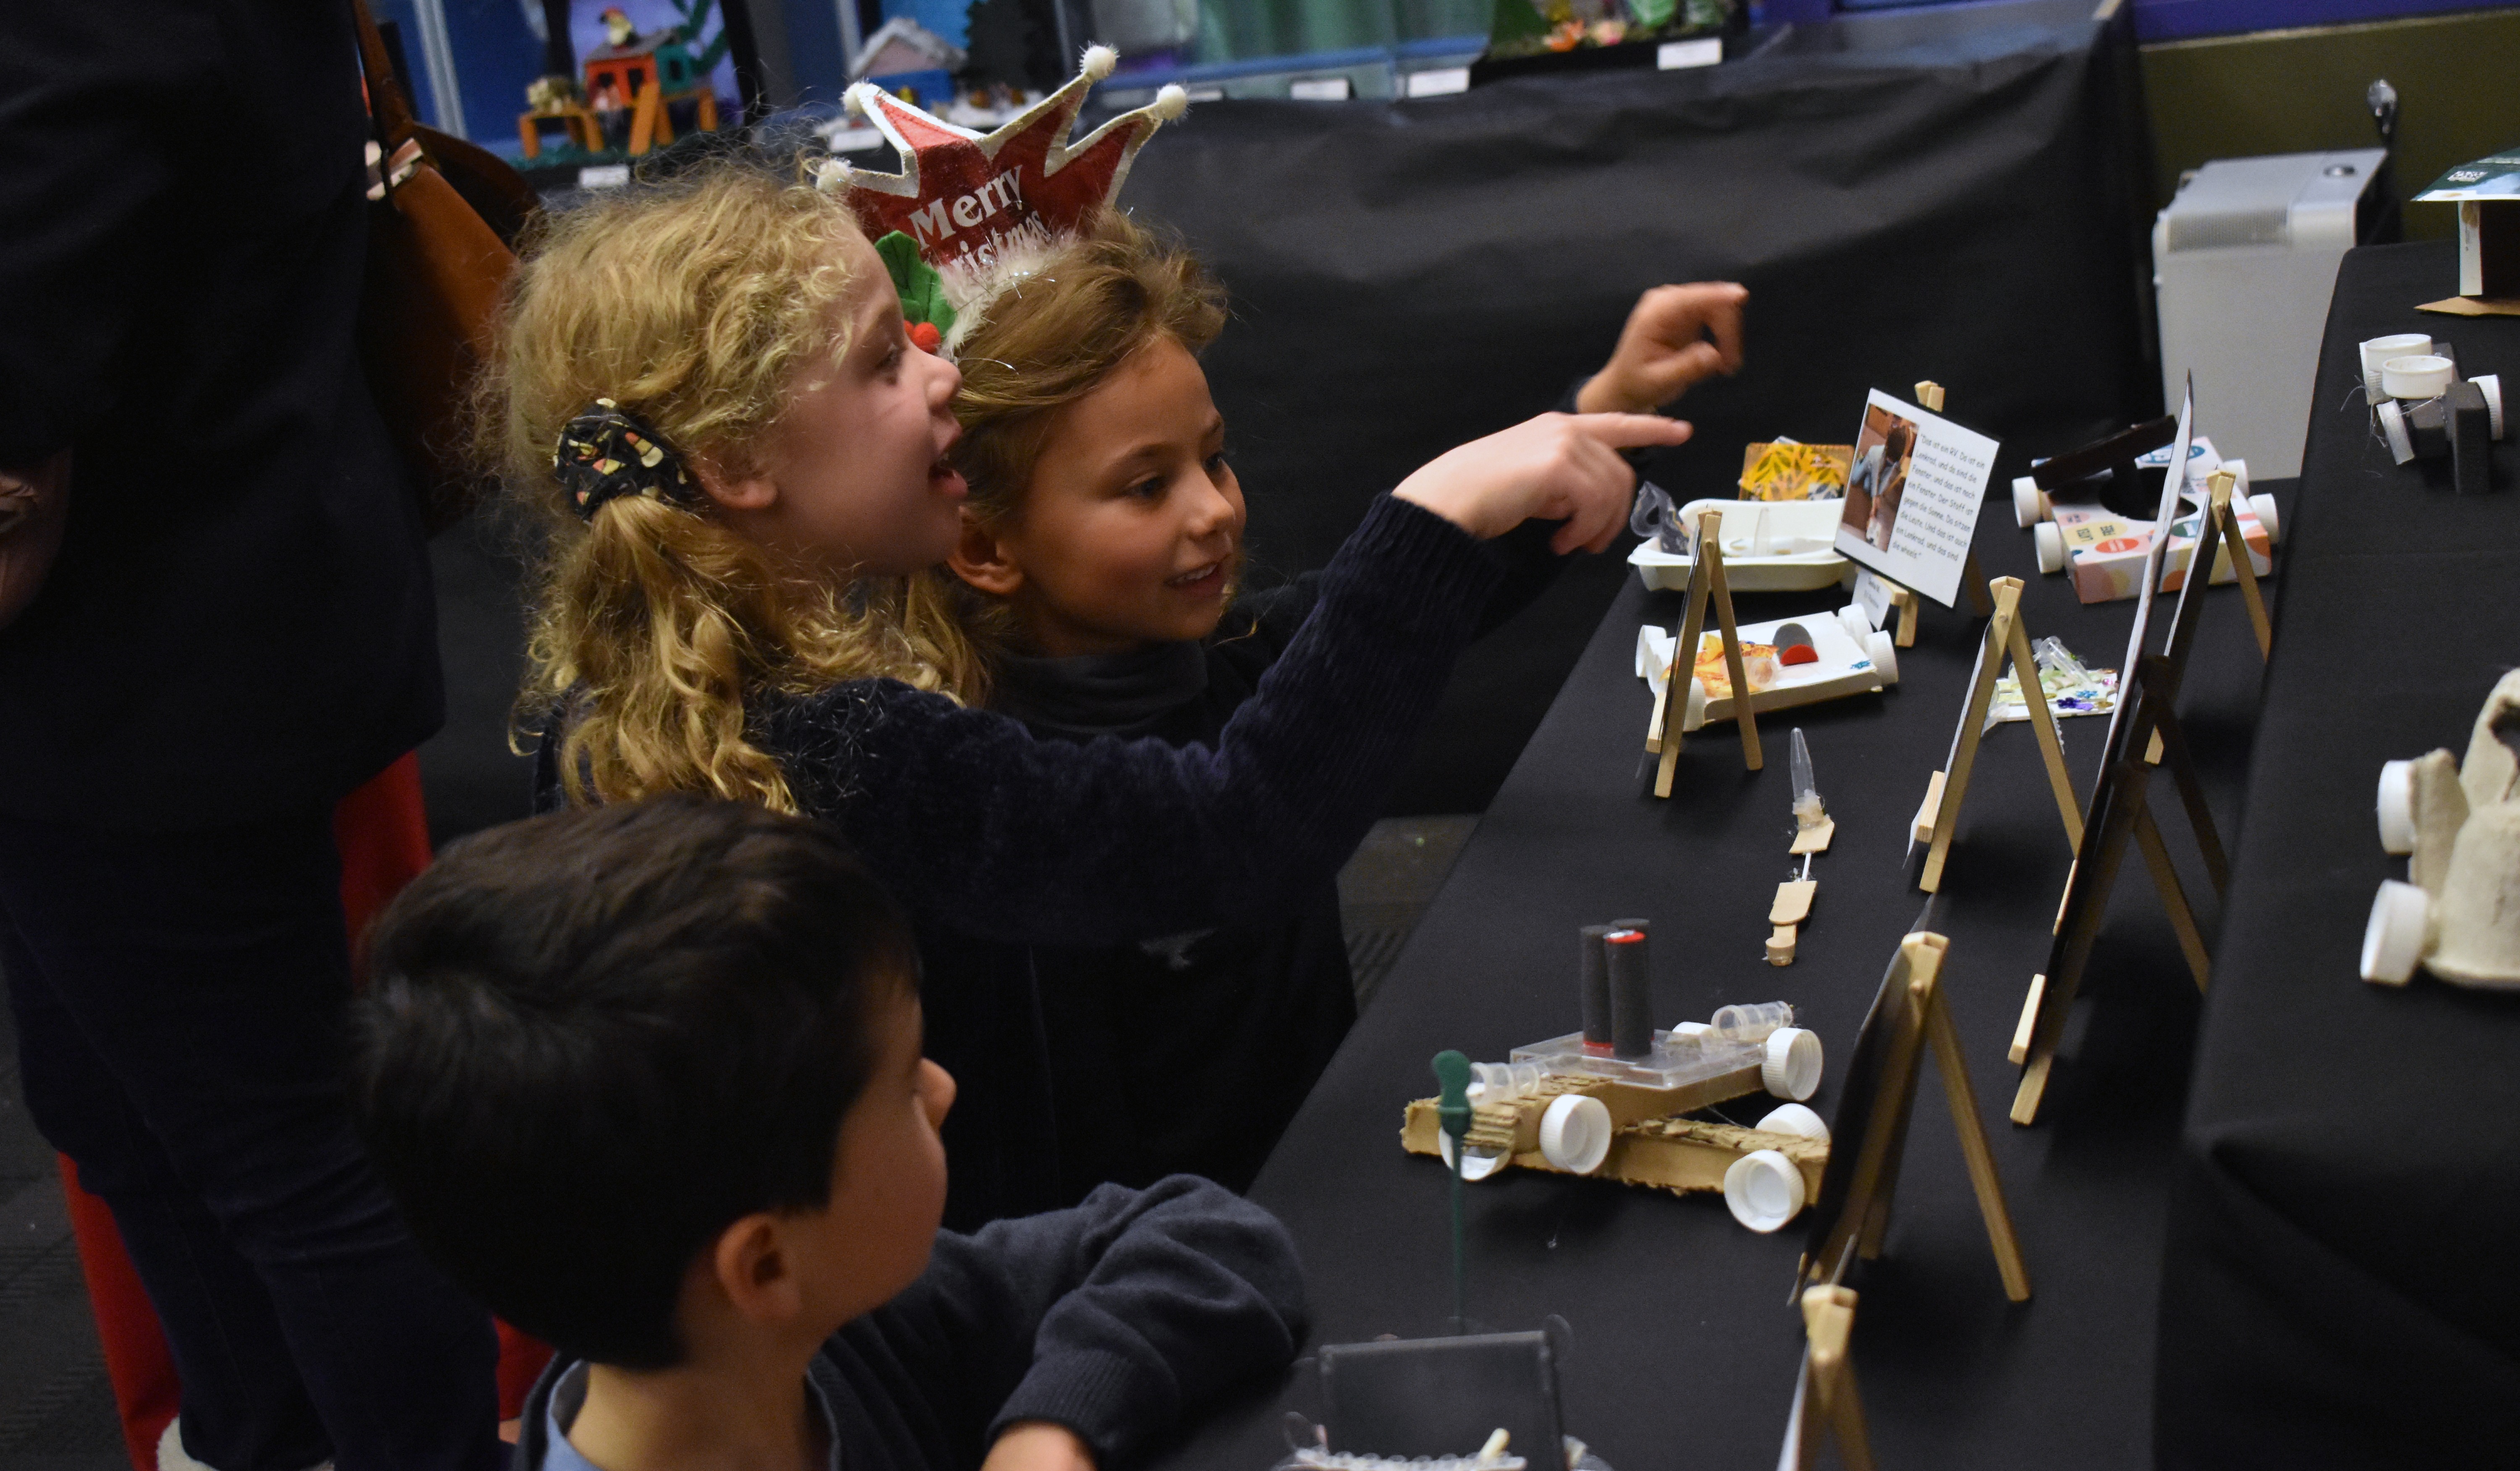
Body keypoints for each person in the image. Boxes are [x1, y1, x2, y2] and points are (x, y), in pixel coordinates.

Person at [916, 210, 1747, 1212]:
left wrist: (1594, 415)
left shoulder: (1227, 665)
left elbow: (1409, 607)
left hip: (1320, 1179)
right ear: (985, 546)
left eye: (1212, 460)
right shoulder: (1000, 816)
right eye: (1146, 487)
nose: (1215, 509)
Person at [0, 7, 498, 1469]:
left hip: (152, 675)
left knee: (283, 1158)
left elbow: (16, 402)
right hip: (209, 627)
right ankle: (246, 1437)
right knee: (132, 1114)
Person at [348, 795, 1307, 1471]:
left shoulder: (843, 1330)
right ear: (762, 1265)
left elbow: (1204, 1237)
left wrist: (1051, 1429)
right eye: (898, 1087)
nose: (941, 1090)